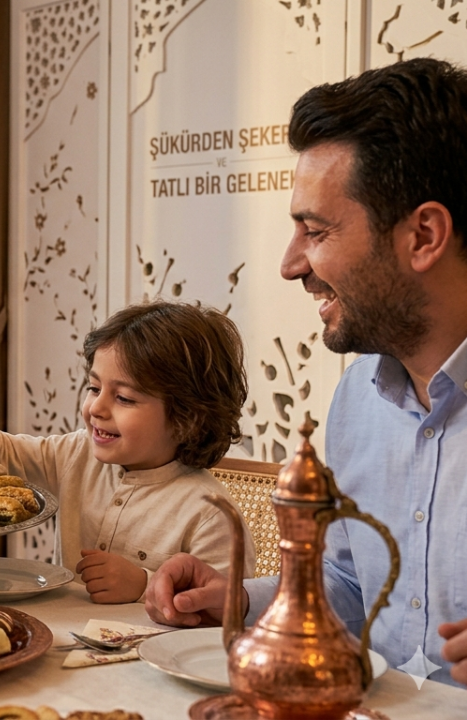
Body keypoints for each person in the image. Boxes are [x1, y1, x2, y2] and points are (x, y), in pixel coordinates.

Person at [143, 58, 467, 688]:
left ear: (423, 235)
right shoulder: (356, 400)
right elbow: (349, 583)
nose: (292, 265)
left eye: (315, 231)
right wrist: (238, 600)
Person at [0, 301, 256, 603]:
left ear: (187, 418)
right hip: (64, 638)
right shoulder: (76, 454)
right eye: (94, 388)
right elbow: (10, 455)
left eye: (124, 398)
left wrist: (143, 585)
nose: (96, 407)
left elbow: (225, 611)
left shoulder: (211, 516)